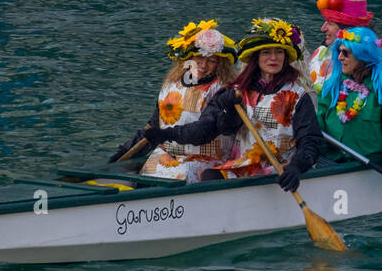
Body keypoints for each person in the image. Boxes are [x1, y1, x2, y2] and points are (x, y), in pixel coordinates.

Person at [143, 18, 321, 190]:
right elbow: (206, 129)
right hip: (242, 165)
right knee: (210, 177)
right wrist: (166, 134)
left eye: (279, 52)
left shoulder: (299, 95)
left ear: (285, 56)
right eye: (266, 52)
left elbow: (310, 139)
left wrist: (297, 167)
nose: (273, 58)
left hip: (281, 167)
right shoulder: (236, 91)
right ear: (256, 57)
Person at [112, 19, 238, 182]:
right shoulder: (171, 84)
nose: (203, 65)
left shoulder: (223, 89)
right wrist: (122, 154)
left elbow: (203, 130)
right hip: (165, 157)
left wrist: (164, 134)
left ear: (220, 65)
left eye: (211, 61)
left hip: (203, 161)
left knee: (182, 173)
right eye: (198, 57)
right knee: (148, 171)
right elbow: (153, 126)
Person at [317, 26, 382, 198]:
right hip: (332, 162)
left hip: (370, 166)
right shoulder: (333, 84)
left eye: (346, 53)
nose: (339, 57)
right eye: (339, 51)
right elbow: (319, 122)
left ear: (362, 55)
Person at [309, 0, 375, 93]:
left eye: (330, 23)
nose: (322, 28)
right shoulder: (320, 52)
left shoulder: (375, 70)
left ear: (347, 30)